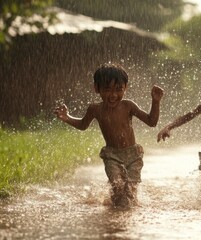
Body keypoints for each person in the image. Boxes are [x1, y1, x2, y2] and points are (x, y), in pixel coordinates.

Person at [54, 63, 164, 207]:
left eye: (118, 90)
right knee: (117, 187)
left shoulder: (128, 106)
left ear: (126, 88)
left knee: (130, 191)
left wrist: (155, 102)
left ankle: (125, 216)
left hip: (133, 155)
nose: (113, 95)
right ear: (96, 88)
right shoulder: (95, 109)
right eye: (107, 90)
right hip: (111, 156)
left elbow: (151, 122)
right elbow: (82, 125)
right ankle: (116, 210)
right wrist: (67, 118)